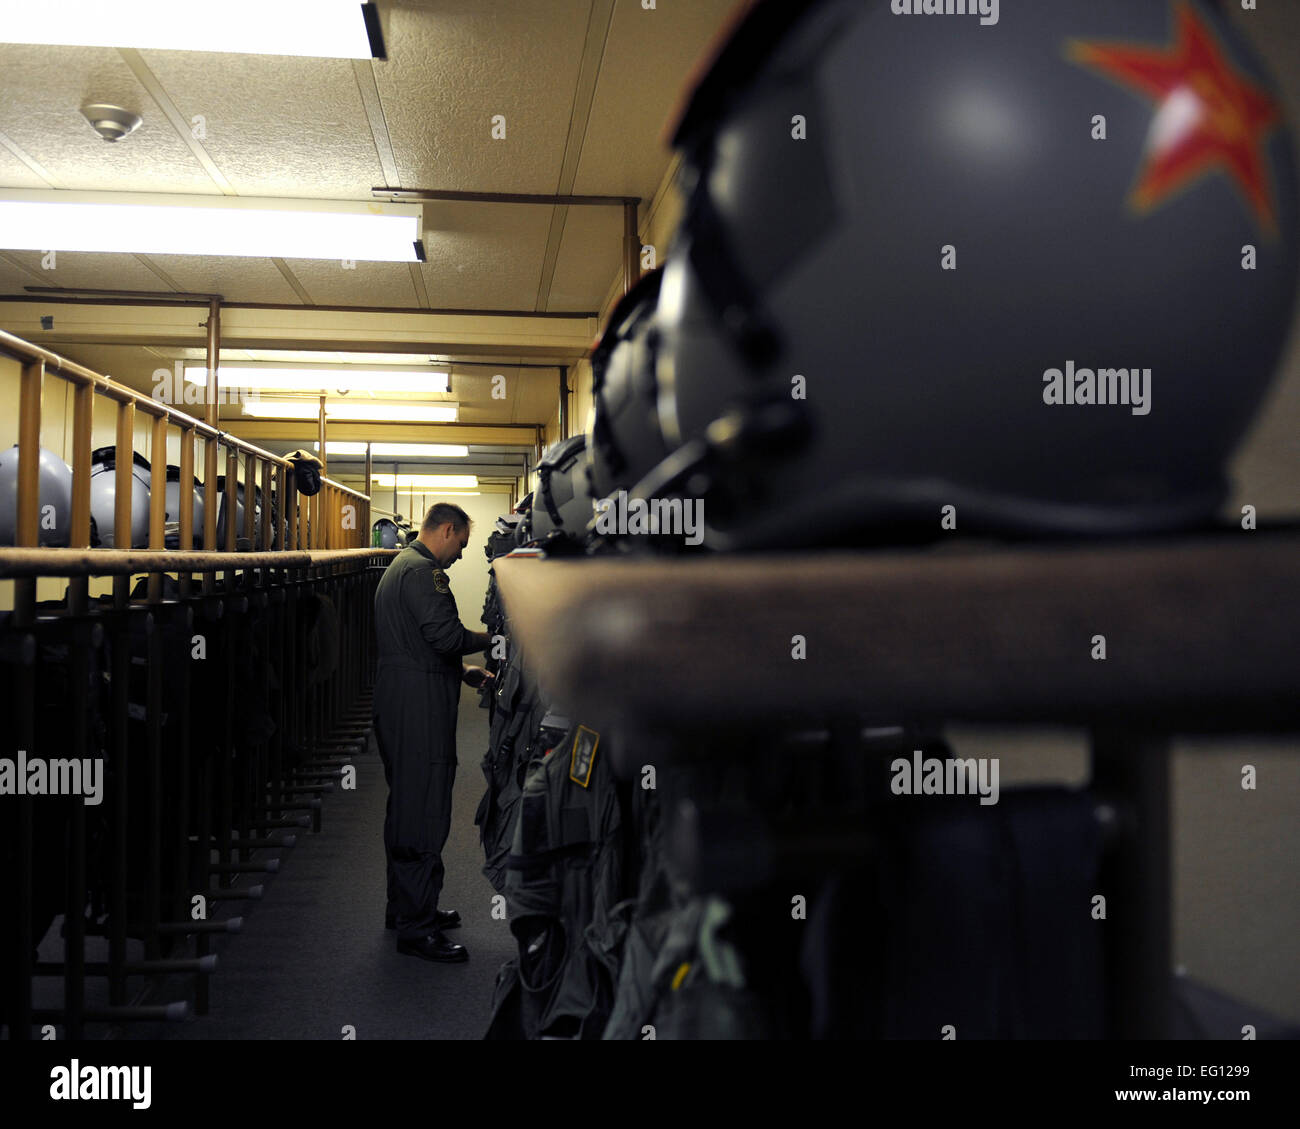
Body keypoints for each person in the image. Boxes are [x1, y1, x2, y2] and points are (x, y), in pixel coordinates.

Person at [373, 502, 494, 962]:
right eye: (461, 544)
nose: (461, 555)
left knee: (406, 804)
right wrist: (491, 638)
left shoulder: (401, 566)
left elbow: (417, 646)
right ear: (447, 530)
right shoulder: (425, 574)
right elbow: (443, 637)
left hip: (403, 697)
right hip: (418, 709)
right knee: (423, 810)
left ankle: (405, 908)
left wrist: (461, 672)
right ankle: (416, 929)